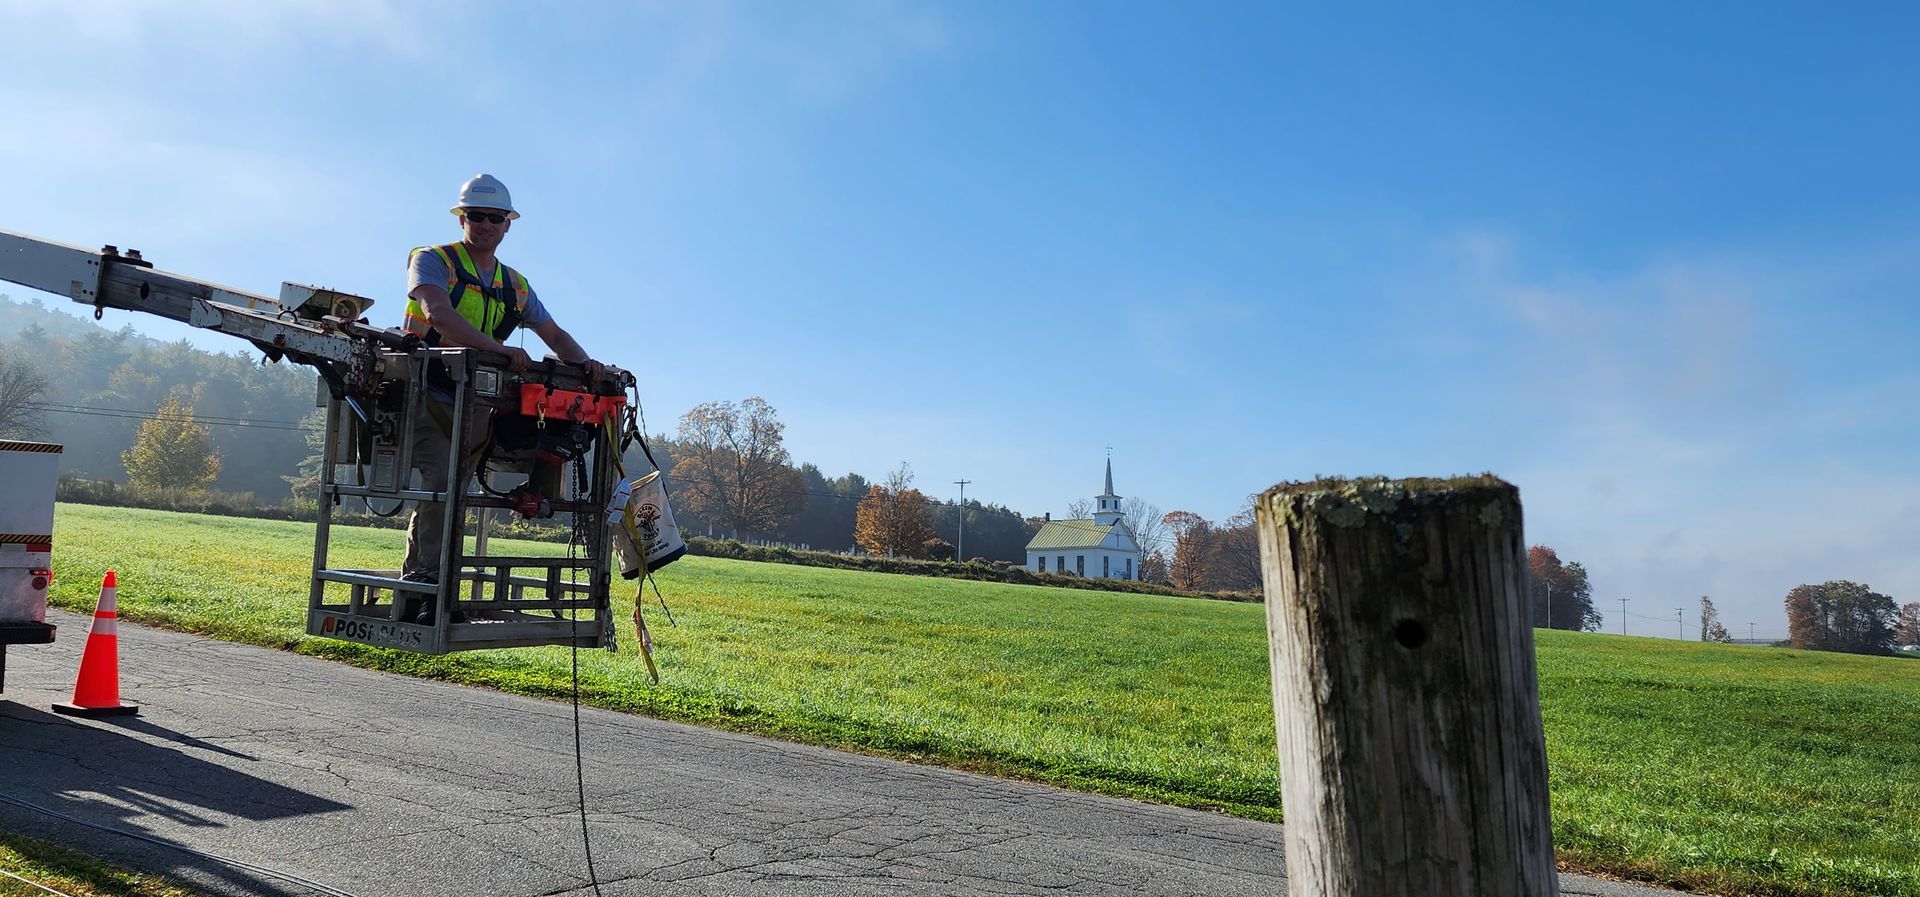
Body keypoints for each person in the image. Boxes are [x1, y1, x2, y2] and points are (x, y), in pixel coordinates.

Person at [397, 174, 603, 612]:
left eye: (495, 217)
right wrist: (499, 350)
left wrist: (588, 367)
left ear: (508, 224)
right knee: (440, 487)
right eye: (476, 216)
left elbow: (555, 334)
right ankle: (420, 592)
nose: (486, 224)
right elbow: (438, 313)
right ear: (462, 219)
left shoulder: (515, 285)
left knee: (459, 489)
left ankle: (437, 589)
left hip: (480, 402)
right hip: (426, 392)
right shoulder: (433, 260)